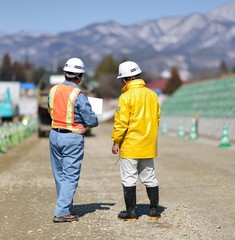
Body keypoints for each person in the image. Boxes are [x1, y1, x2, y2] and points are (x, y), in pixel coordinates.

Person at [48, 57, 99, 223]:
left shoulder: (53, 90)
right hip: (72, 137)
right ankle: (62, 211)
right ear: (80, 76)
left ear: (65, 73)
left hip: (54, 134)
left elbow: (51, 110)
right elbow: (91, 120)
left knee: (60, 174)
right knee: (70, 176)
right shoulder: (78, 94)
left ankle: (65, 206)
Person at [111, 61, 161, 221]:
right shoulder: (153, 95)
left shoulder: (125, 97)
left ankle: (131, 213)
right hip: (148, 145)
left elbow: (121, 123)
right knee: (150, 177)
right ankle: (154, 211)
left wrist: (116, 141)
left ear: (125, 79)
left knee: (129, 178)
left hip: (130, 145)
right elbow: (157, 119)